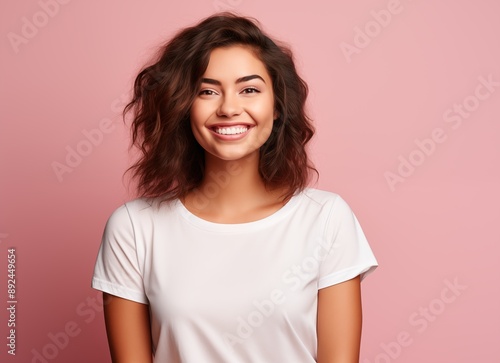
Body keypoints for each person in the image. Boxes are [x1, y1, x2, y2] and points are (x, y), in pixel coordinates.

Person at [91, 11, 378, 363]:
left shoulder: (326, 219)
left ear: (276, 107)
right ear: (183, 107)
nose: (229, 108)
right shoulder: (134, 228)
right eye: (207, 91)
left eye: (250, 89)